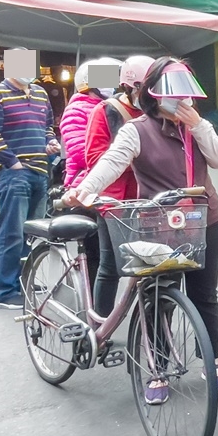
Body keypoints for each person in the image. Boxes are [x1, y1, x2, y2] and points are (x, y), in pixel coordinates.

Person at [63, 58, 218, 400]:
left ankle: (211, 360)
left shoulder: (196, 126)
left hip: (205, 221)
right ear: (153, 94)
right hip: (159, 227)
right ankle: (158, 368)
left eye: (186, 94)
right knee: (158, 298)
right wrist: (84, 189)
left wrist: (199, 126)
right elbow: (110, 163)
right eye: (173, 94)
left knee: (205, 295)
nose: (181, 101)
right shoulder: (136, 130)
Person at [0, 66, 58, 309]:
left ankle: (22, 282)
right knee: (10, 235)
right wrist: (13, 163)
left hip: (39, 172)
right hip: (13, 175)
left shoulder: (40, 93)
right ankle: (1, 292)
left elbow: (47, 126)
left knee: (31, 234)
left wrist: (50, 142)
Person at [83, 55, 153, 316]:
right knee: (110, 267)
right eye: (144, 89)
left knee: (152, 266)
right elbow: (93, 158)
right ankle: (100, 327)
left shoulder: (156, 112)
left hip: (150, 201)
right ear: (129, 87)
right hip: (115, 202)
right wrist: (135, 157)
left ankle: (148, 327)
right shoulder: (104, 111)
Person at [59, 58, 118, 188]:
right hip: (83, 183)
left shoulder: (112, 108)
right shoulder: (75, 110)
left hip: (109, 181)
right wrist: (118, 162)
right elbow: (81, 153)